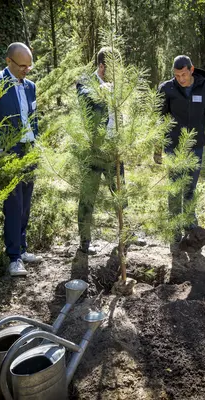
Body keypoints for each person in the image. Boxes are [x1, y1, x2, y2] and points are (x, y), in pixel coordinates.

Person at [0, 42, 42, 276]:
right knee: (13, 205)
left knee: (25, 203)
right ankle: (13, 257)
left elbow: (33, 118)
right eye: (22, 66)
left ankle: (23, 249)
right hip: (8, 154)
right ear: (8, 62)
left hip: (29, 151)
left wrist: (37, 143)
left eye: (29, 66)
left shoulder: (31, 86)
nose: (27, 70)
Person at [156, 55, 205, 243]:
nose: (181, 79)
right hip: (173, 146)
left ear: (191, 70)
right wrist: (157, 146)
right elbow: (160, 119)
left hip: (196, 146)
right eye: (177, 75)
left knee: (190, 187)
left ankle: (189, 223)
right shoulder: (166, 89)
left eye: (184, 74)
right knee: (174, 188)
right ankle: (174, 228)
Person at [75, 47, 124, 255]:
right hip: (93, 150)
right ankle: (85, 242)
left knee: (121, 194)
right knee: (88, 196)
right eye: (113, 69)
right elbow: (85, 97)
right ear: (102, 67)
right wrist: (102, 92)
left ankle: (125, 235)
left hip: (115, 149)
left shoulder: (119, 86)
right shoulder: (86, 83)